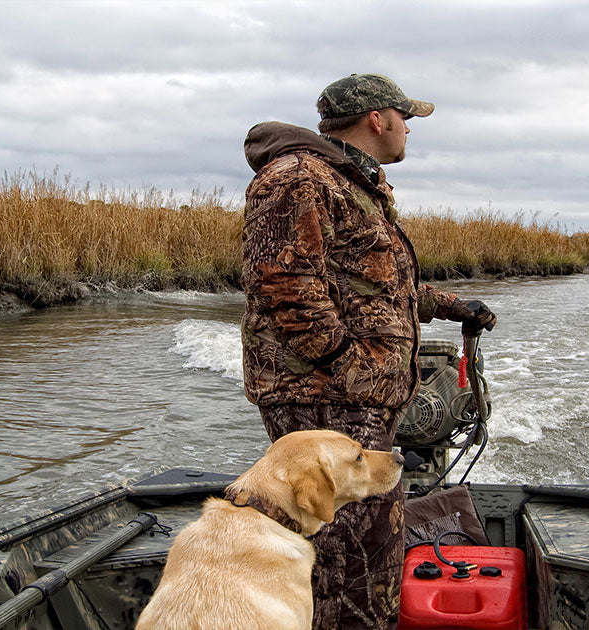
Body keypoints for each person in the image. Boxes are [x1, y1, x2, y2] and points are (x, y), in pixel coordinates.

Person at [239, 73, 496, 630]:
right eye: (405, 118)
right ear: (376, 120)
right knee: (351, 559)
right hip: (327, 400)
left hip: (355, 400)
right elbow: (283, 285)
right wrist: (348, 366)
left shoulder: (355, 184)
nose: (409, 130)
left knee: (372, 546)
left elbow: (374, 287)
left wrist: (453, 305)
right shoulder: (299, 178)